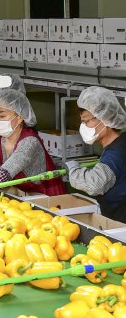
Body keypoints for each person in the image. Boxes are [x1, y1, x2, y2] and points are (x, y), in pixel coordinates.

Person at [65, 86, 126, 222]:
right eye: (82, 122)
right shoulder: (121, 142)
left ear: (105, 118)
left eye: (86, 121)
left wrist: (73, 171)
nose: (83, 126)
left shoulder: (116, 154)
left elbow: (95, 183)